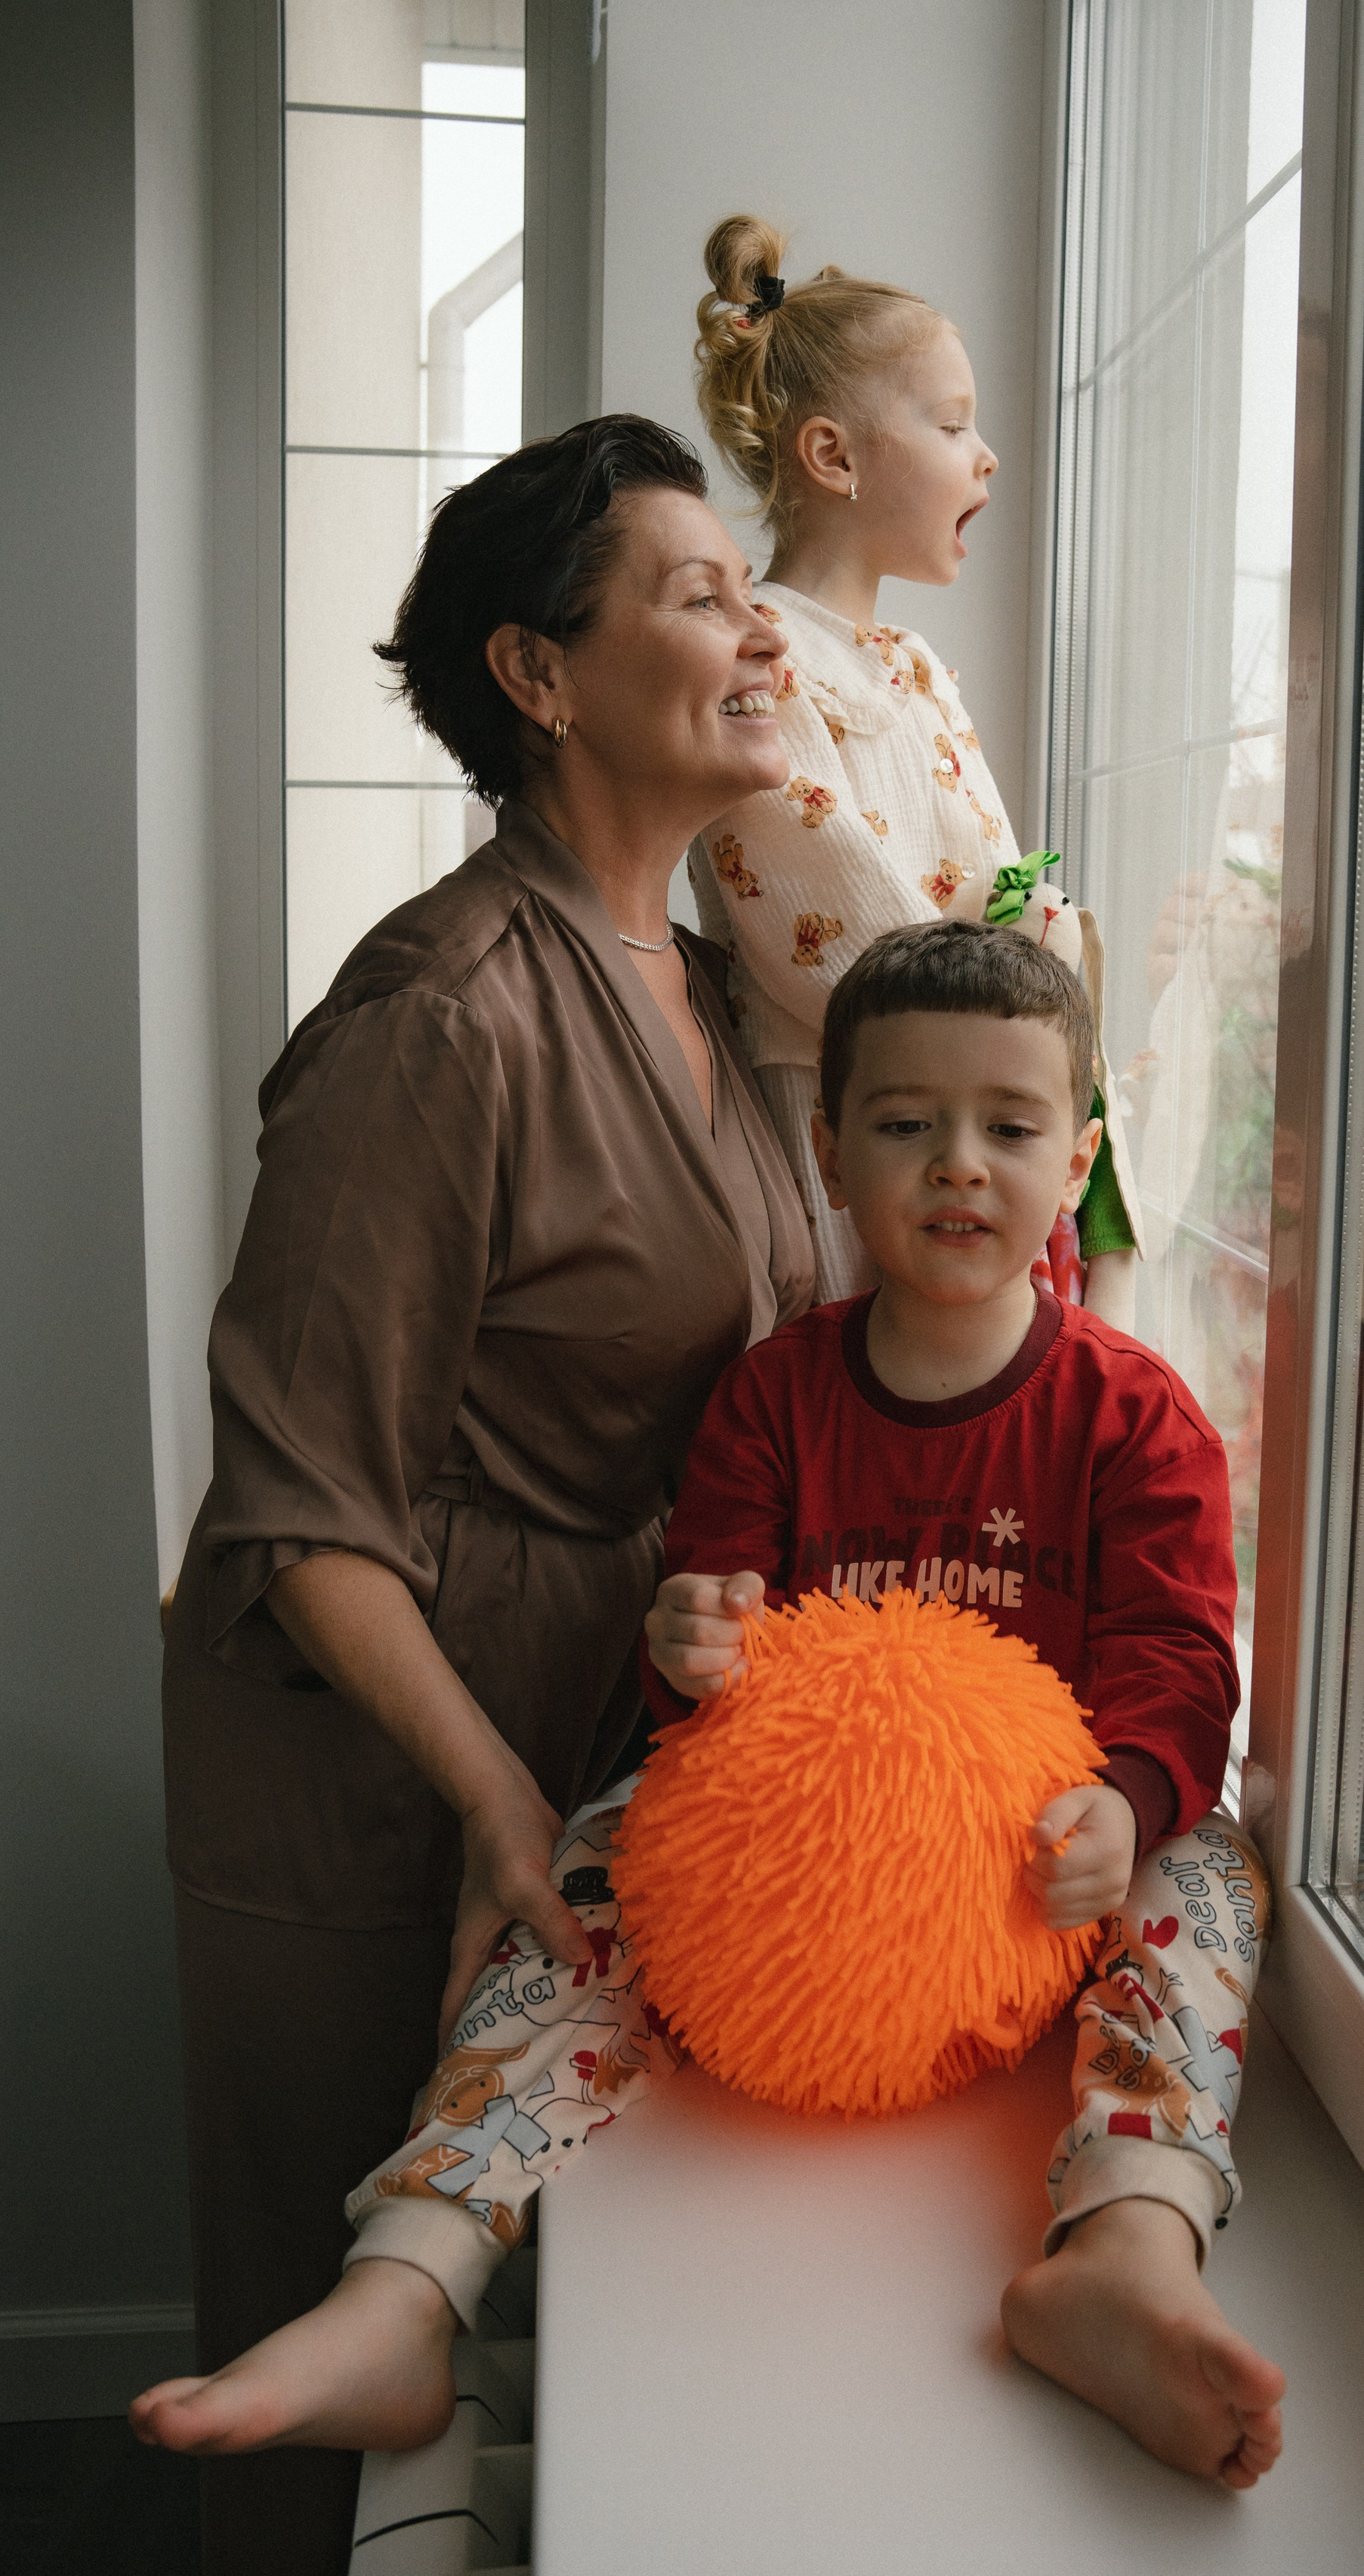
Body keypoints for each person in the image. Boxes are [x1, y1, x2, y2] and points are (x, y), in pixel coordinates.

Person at [135, 921, 1286, 2491]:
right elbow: (711, 1628)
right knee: (580, 1871)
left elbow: (1178, 1653)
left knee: (1212, 1874)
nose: (958, 1165)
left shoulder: (1130, 1413)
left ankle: (1129, 2248)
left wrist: (1134, 1798)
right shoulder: (775, 1391)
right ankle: (408, 2279)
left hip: (1036, 1870)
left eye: (1008, 1128)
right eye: (903, 1124)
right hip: (813, 1891)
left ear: (1073, 1155)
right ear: (829, 1149)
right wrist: (689, 1639)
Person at [154, 414, 814, 2574]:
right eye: (698, 592)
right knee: (344, 2315)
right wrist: (495, 1801)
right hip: (388, 1745)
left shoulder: (721, 986)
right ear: (543, 676)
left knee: (554, 2328)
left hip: (613, 1712)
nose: (753, 627)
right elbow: (299, 1503)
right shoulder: (443, 1017)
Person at [684, 214, 1143, 1320]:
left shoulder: (915, 665)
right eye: (951, 423)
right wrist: (1035, 949)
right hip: (860, 1123)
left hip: (967, 1104)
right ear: (833, 454)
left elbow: (992, 885)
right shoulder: (763, 659)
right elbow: (843, 945)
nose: (985, 456)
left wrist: (1036, 930)